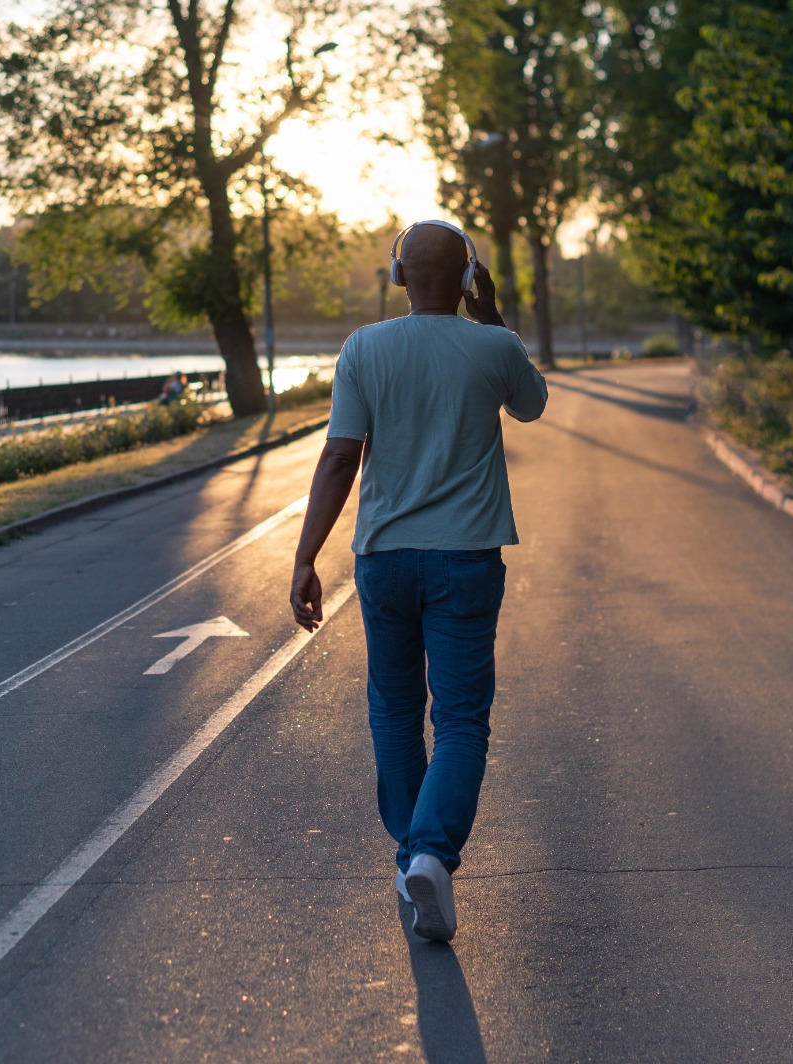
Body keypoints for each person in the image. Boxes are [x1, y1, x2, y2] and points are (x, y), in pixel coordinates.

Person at [288, 220, 548, 942]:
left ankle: (413, 861)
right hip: (466, 557)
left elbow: (341, 457)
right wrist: (491, 314)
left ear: (398, 275)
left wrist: (306, 557)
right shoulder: (494, 345)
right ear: (466, 279)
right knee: (461, 718)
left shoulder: (364, 348)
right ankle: (429, 853)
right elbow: (530, 405)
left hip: (385, 560)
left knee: (396, 710)